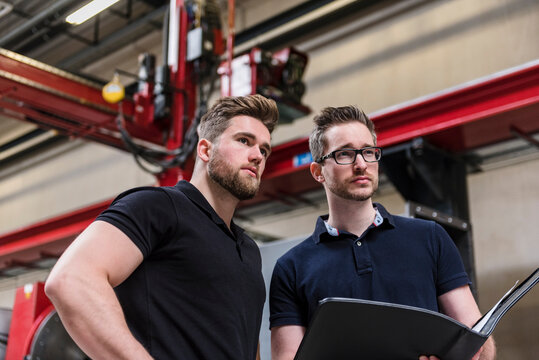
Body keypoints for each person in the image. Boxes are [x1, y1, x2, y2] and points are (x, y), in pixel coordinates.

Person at [45, 94, 279, 360]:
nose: (257, 156)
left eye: (264, 149)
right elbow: (71, 280)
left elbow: (244, 343)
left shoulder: (248, 249)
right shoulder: (159, 207)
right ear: (205, 150)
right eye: (244, 141)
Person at [269, 105, 496, 360]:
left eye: (368, 152)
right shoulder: (291, 268)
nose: (360, 164)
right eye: (344, 154)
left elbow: (479, 344)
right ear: (318, 172)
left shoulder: (430, 238)